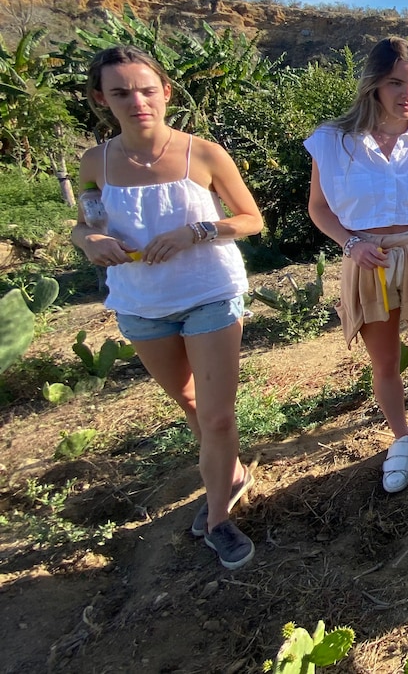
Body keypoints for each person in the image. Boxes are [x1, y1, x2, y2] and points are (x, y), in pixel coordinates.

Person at [72, 45, 263, 571]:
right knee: (189, 403)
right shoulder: (95, 163)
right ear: (100, 99)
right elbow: (87, 222)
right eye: (121, 92)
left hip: (209, 293)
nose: (137, 101)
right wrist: (88, 242)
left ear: (166, 93)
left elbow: (251, 219)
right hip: (140, 303)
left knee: (219, 415)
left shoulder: (201, 154)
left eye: (147, 89)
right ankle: (233, 474)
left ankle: (220, 518)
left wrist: (196, 231)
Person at [305, 37, 408, 493]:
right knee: (385, 361)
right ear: (374, 84)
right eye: (396, 82)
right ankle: (400, 438)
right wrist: (350, 243)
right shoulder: (334, 142)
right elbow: (319, 208)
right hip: (367, 259)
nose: (407, 95)